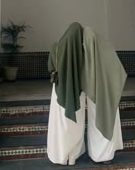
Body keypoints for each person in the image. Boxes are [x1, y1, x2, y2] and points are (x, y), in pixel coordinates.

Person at [82, 26, 127, 163]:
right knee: (99, 122)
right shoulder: (105, 48)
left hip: (106, 94)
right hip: (104, 95)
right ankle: (98, 154)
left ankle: (103, 155)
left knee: (102, 122)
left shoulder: (102, 49)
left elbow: (117, 70)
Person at [47, 22, 85, 165]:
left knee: (60, 124)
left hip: (59, 93)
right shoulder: (83, 51)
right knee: (75, 124)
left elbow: (50, 67)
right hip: (78, 93)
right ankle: (73, 156)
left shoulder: (55, 47)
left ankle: (61, 156)